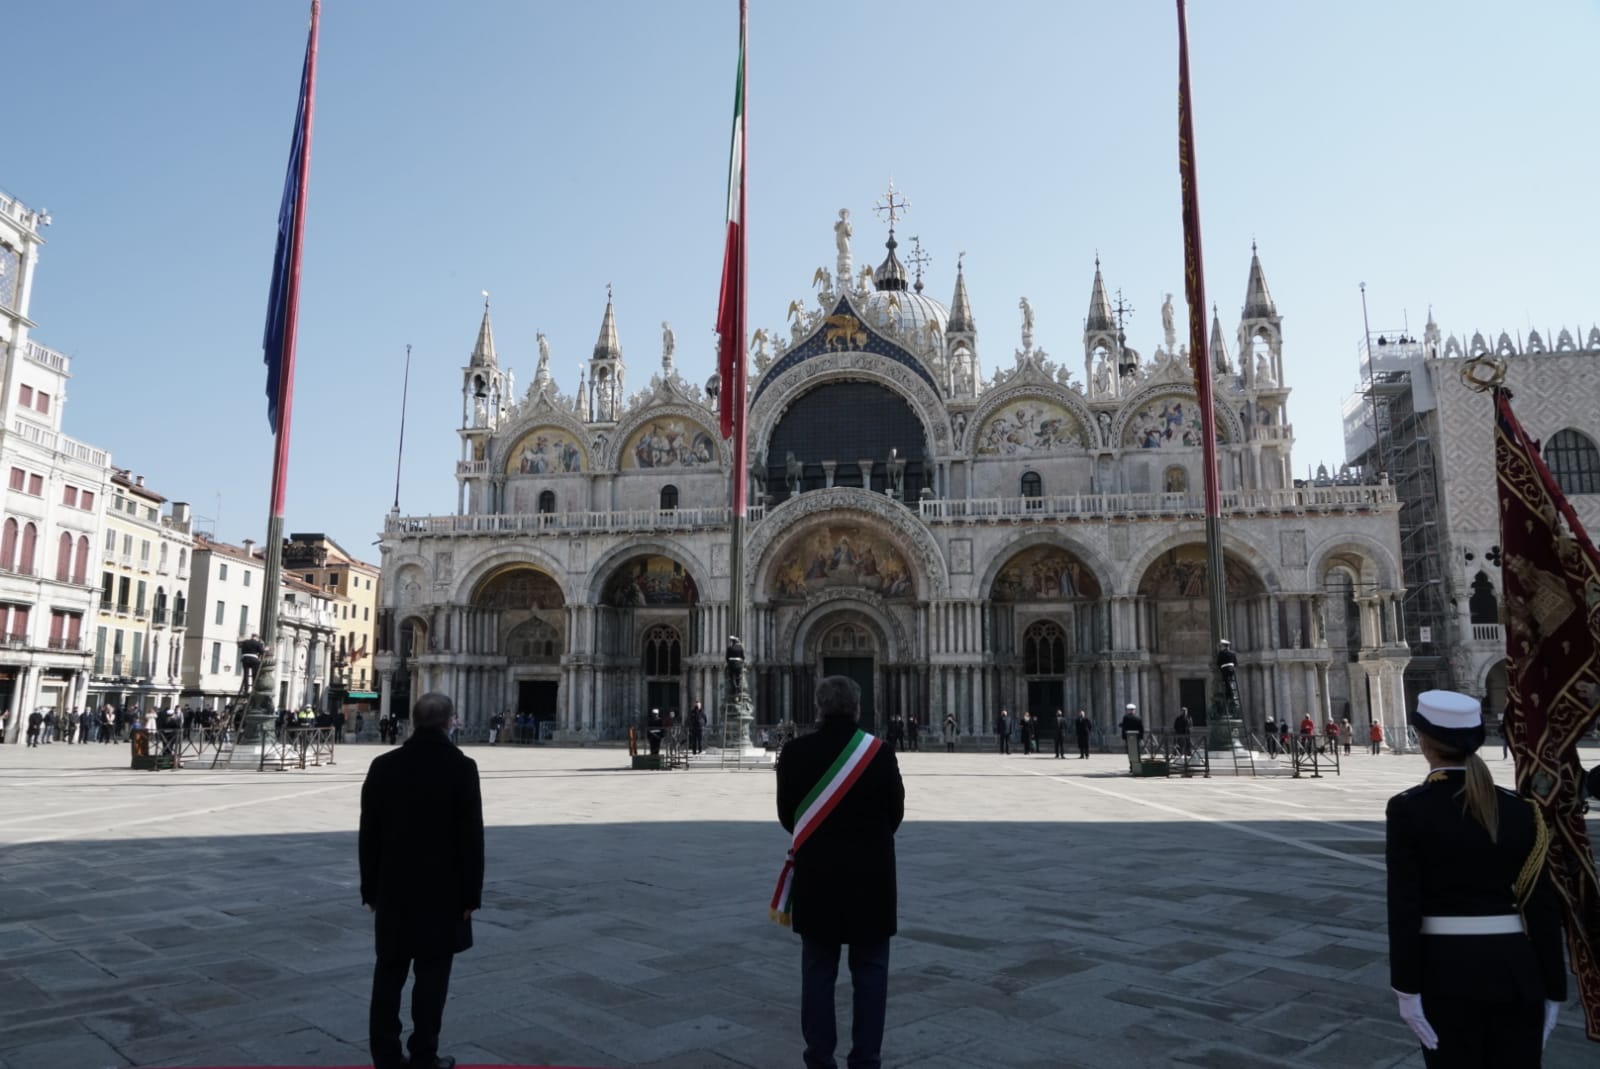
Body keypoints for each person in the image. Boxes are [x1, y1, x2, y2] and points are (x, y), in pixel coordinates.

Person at [1385, 690, 1565, 1066]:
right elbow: (1542, 906)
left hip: (1445, 974)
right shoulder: (1523, 811)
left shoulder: (1409, 810)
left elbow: (1404, 907)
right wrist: (1553, 989)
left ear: (1423, 742)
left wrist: (1406, 989)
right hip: (1518, 973)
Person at [774, 675, 904, 1069]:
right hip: (872, 884)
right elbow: (894, 815)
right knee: (870, 974)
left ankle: (819, 1058)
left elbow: (787, 817)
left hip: (818, 882)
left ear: (818, 708)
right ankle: (866, 1059)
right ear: (858, 709)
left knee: (817, 972)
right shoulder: (880, 753)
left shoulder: (794, 753)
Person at [360, 692, 484, 1069]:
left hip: (394, 890)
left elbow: (369, 835)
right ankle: (424, 1055)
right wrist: (470, 897)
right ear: (450, 722)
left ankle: (385, 1055)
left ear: (413, 722)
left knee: (388, 974)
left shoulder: (383, 765)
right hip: (444, 893)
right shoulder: (461, 767)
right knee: (432, 979)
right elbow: (471, 837)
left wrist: (370, 890)